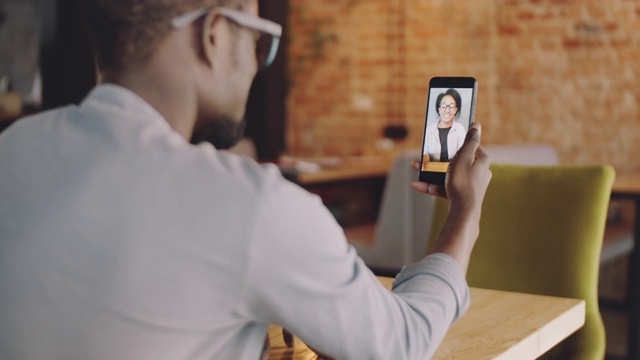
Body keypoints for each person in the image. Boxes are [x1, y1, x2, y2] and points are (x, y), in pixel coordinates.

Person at [0, 1, 492, 359]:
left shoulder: (13, 150)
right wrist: (465, 214)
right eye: (259, 39)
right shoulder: (254, 206)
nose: (258, 62)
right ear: (214, 34)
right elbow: (401, 344)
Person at [424, 88, 467, 162]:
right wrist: (425, 158)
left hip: (453, 172)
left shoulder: (460, 129)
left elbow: (463, 155)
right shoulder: (429, 130)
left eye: (451, 106)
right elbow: (425, 153)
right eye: (443, 106)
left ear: (456, 109)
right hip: (433, 171)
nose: (447, 110)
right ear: (439, 109)